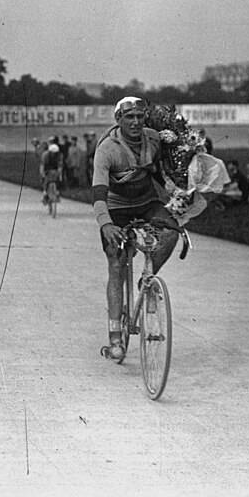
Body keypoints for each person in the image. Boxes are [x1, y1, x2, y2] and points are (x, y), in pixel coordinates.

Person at [91, 96, 179, 362]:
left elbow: (158, 171)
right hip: (116, 208)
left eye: (140, 117)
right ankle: (115, 338)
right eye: (129, 117)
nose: (136, 122)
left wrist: (175, 187)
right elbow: (97, 193)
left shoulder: (152, 139)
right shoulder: (107, 149)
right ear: (118, 120)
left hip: (146, 202)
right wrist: (106, 224)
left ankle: (147, 279)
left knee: (172, 232)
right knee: (117, 264)